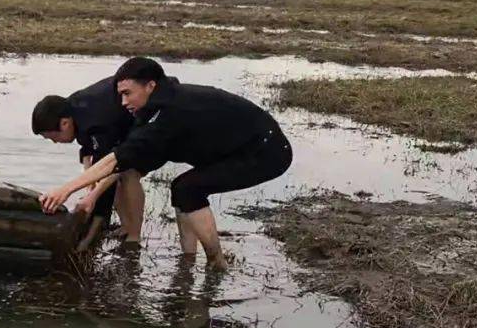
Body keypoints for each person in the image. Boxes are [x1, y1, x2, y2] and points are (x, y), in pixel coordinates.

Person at [40, 57, 292, 270]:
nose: (123, 102)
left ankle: (216, 263)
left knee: (188, 189)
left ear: (150, 85)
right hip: (237, 146)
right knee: (183, 187)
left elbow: (115, 160)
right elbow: (117, 160)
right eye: (120, 95)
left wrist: (66, 190)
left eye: (127, 94)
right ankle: (188, 261)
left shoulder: (167, 114)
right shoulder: (153, 108)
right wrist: (91, 193)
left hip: (265, 150)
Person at [31, 77, 145, 250]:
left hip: (146, 116)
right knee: (109, 181)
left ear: (64, 123)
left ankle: (133, 237)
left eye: (52, 137)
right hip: (120, 126)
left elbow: (115, 164)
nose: (55, 142)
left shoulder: (95, 119)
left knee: (129, 173)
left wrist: (93, 196)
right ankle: (125, 226)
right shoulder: (73, 108)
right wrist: (90, 186)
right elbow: (88, 150)